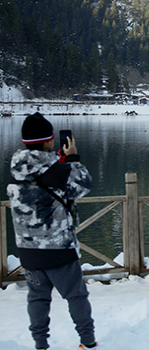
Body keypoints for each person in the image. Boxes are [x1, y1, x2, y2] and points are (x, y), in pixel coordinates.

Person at [6, 113, 97, 350]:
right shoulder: (57, 171)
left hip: (29, 251)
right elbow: (84, 183)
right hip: (58, 250)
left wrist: (59, 161)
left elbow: (42, 173)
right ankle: (87, 341)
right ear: (49, 141)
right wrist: (73, 157)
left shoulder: (17, 168)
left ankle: (40, 344)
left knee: (37, 298)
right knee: (76, 296)